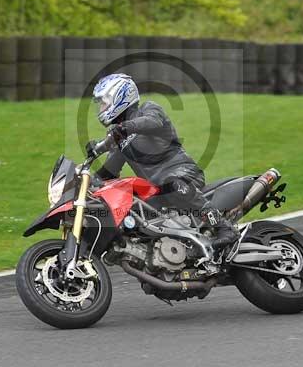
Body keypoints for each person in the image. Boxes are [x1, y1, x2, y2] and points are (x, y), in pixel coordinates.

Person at [89, 73, 238, 250]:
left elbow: (153, 122)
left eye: (104, 103)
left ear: (120, 97)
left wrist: (124, 128)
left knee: (172, 183)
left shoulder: (149, 109)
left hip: (184, 173)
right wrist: (85, 182)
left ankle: (223, 227)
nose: (101, 109)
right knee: (130, 207)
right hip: (156, 191)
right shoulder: (119, 139)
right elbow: (108, 172)